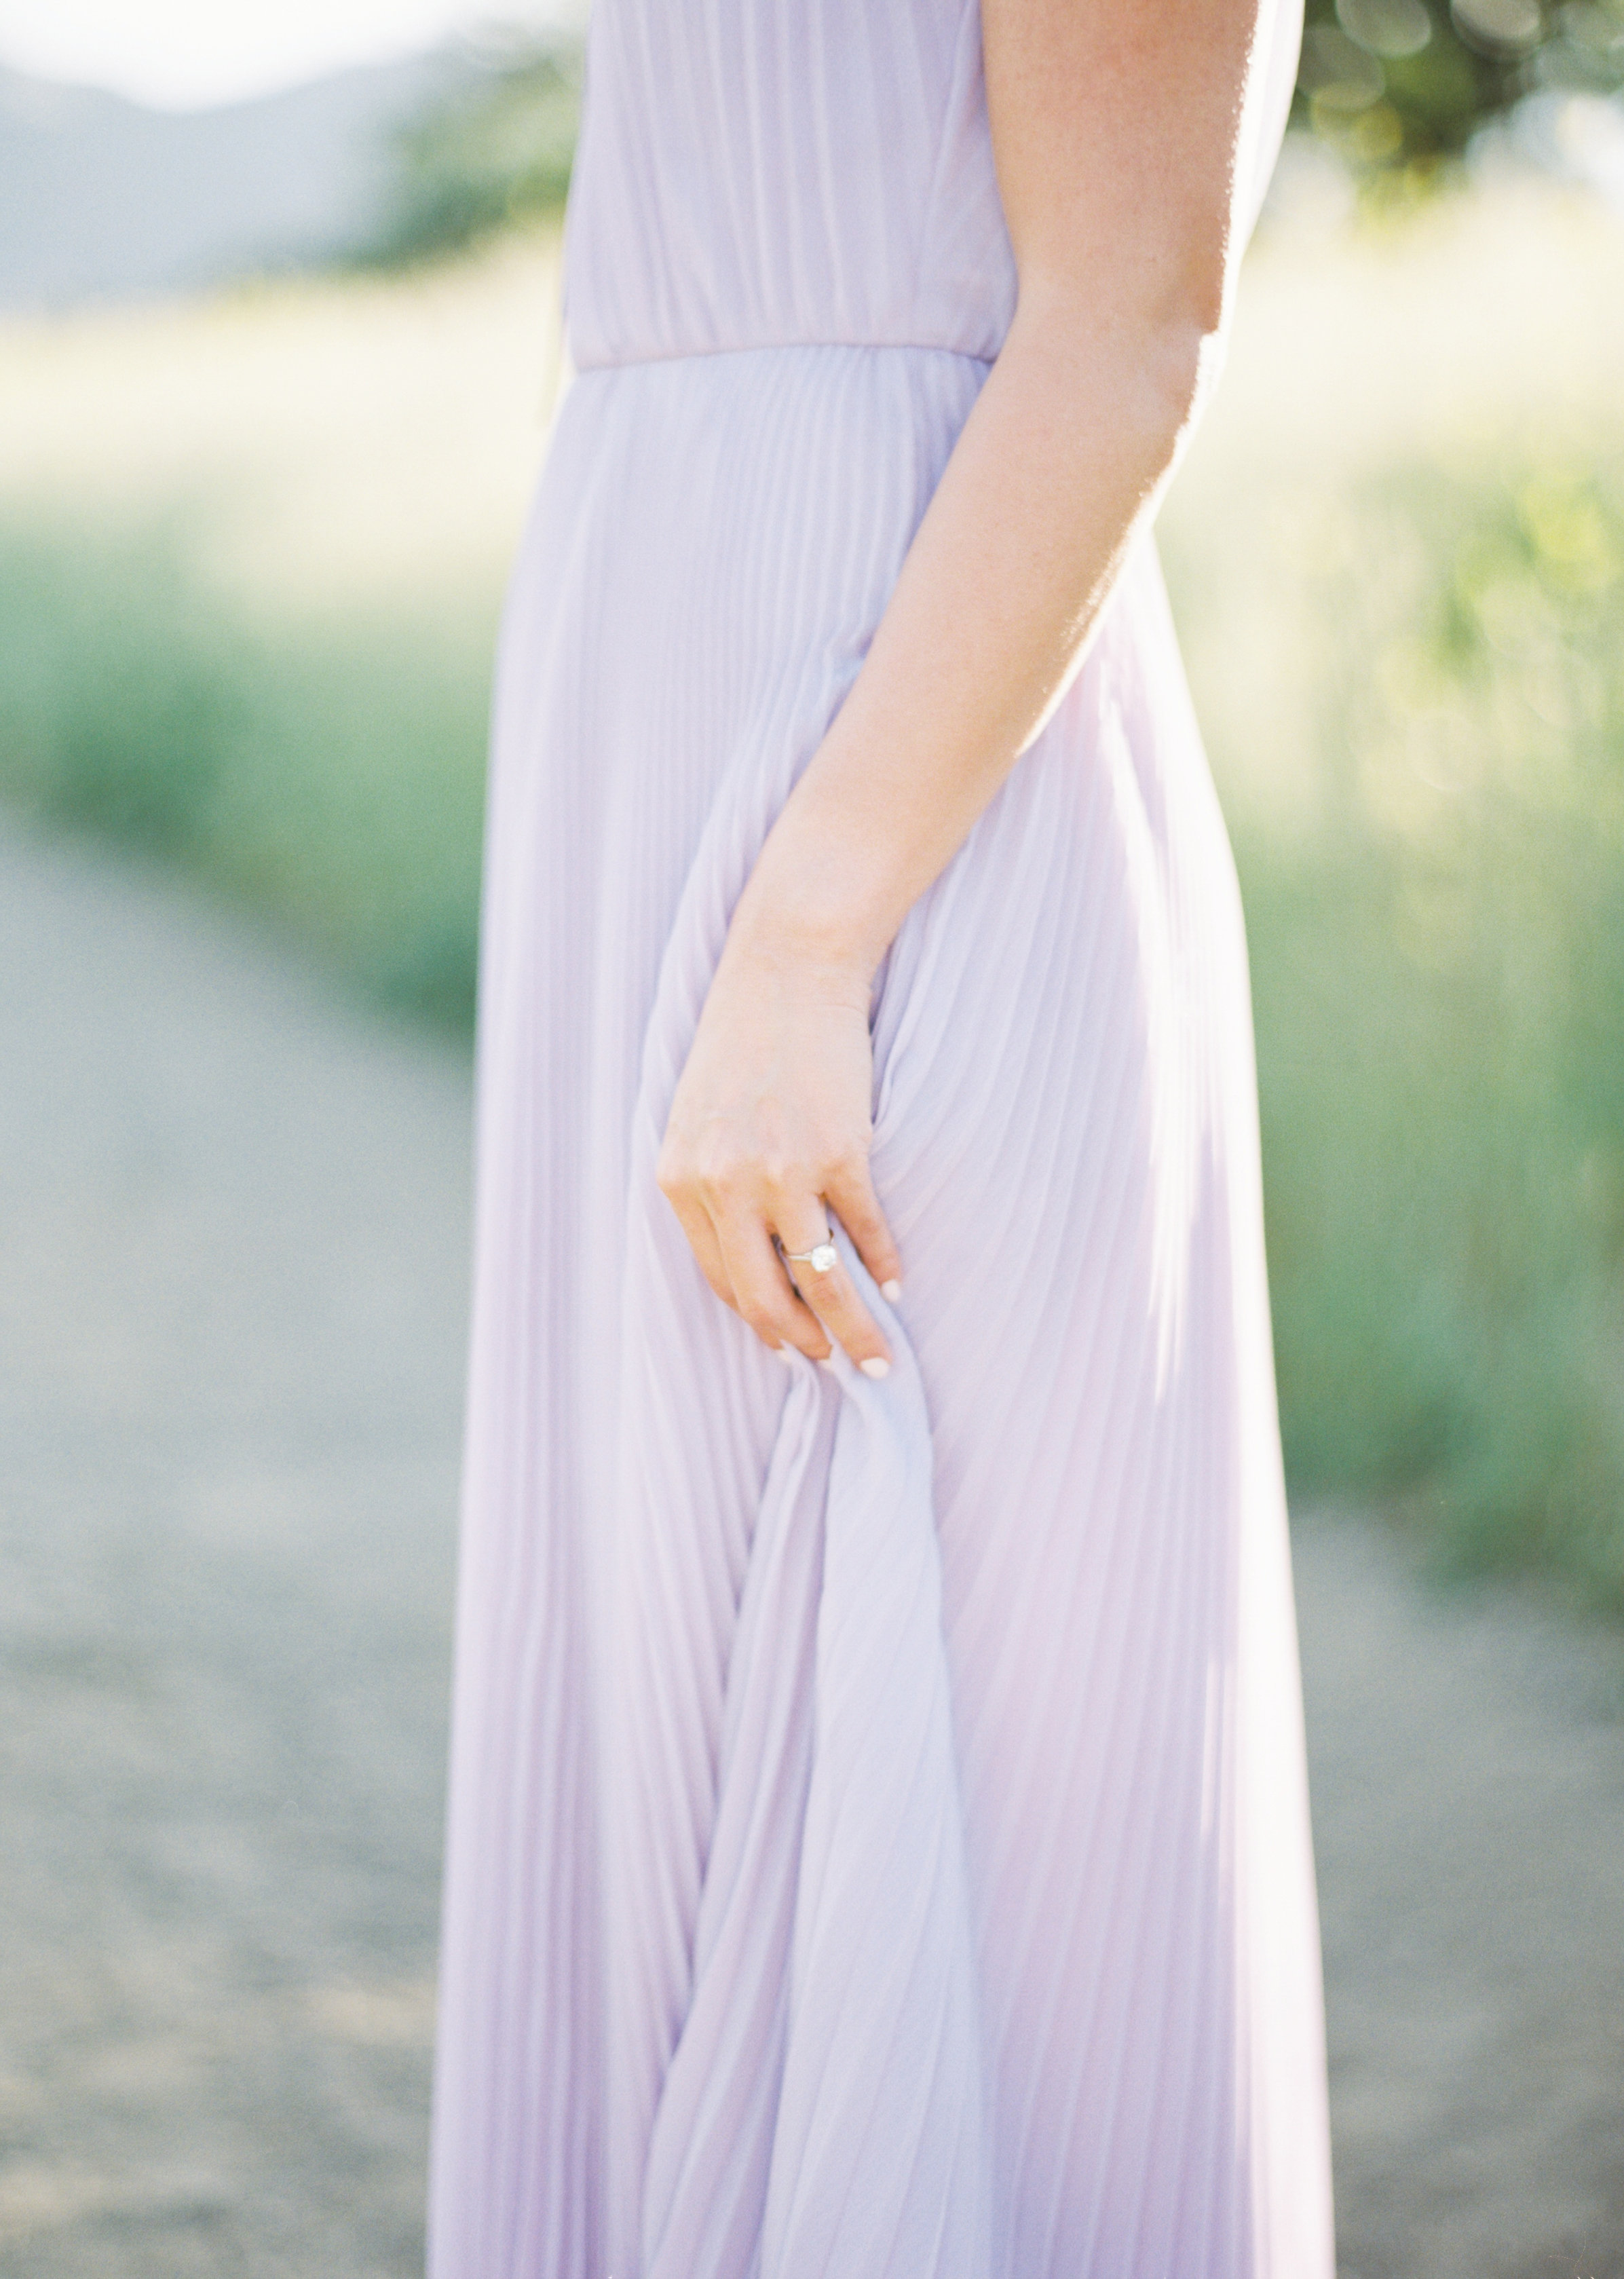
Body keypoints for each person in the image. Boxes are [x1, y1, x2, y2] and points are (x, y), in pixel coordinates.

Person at [428, 0, 1335, 2271]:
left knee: (925, 1729)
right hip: (660, 722)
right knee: (660, 1721)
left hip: (884, 787)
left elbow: (1124, 331)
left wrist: (810, 940)